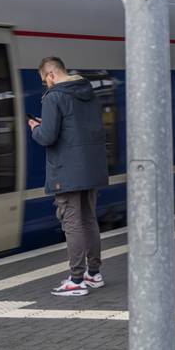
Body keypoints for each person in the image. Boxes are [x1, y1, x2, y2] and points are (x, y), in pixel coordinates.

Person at [28, 57, 108, 296]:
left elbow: (47, 137)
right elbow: (75, 127)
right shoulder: (88, 92)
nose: (46, 85)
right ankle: (93, 274)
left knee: (71, 223)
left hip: (67, 170)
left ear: (51, 75)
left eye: (45, 80)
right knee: (88, 219)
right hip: (91, 166)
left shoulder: (54, 97)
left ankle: (76, 280)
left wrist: (35, 129)